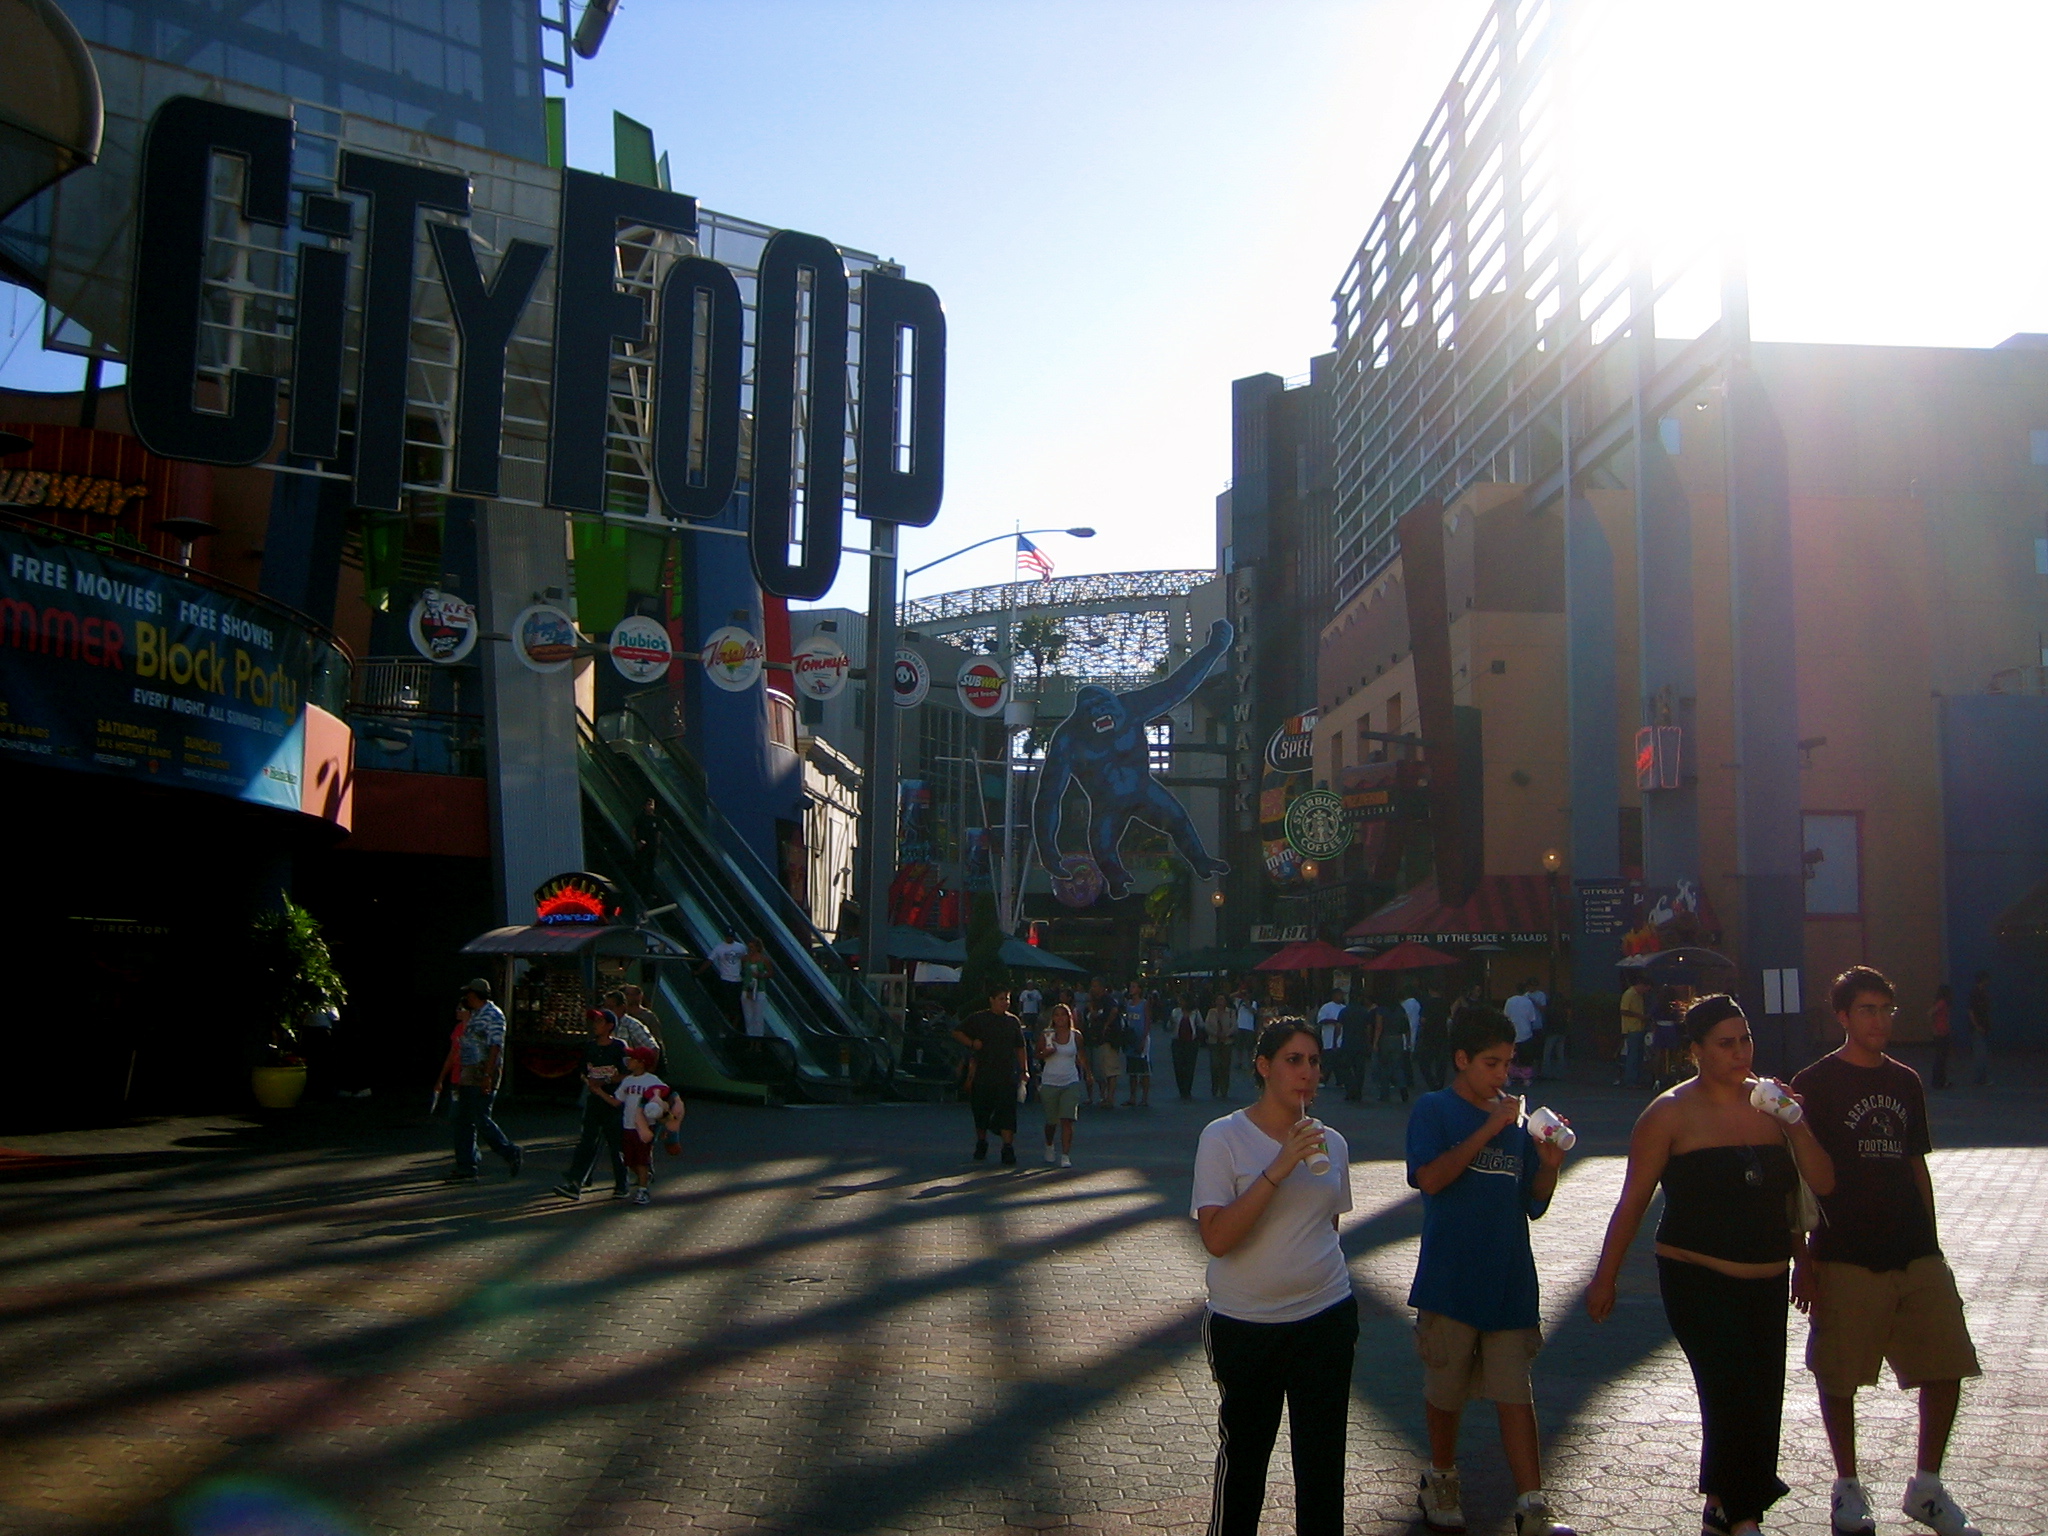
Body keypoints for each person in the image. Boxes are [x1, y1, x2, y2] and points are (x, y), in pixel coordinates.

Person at [1587, 996, 1837, 1536]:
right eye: (1726, 1044)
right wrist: (1605, 1276)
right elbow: (1632, 1200)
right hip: (1696, 1278)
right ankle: (1741, 1514)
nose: (1741, 1052)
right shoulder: (1669, 1113)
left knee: (1762, 1395)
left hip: (1767, 1279)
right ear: (1695, 1051)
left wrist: (1794, 1123)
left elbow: (1814, 1186)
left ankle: (1725, 1508)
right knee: (1729, 1391)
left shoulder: (1770, 1103)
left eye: (1745, 1039)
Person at [1791, 967, 1983, 1536]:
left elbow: (1914, 1162)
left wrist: (1935, 1240)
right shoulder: (1815, 1081)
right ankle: (1847, 1486)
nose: (1879, 1020)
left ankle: (1927, 1486)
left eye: (1887, 1009)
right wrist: (1804, 1256)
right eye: (1867, 1009)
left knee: (1946, 1365)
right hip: (1845, 1250)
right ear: (1843, 1016)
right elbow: (1797, 1179)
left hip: (1914, 1248)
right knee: (1839, 1375)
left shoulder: (1905, 1080)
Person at [1405, 1007, 1573, 1536]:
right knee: (1445, 1392)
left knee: (1514, 1394)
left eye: (1509, 1064)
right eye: (1491, 1064)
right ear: (1462, 1061)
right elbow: (1430, 1178)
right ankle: (1441, 1478)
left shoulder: (1517, 1126)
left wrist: (1548, 1163)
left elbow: (1533, 1204)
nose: (1503, 1076)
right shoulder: (1434, 1109)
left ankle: (1530, 1503)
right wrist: (1489, 1128)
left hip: (1509, 1282)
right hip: (1450, 1279)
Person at [1192, 1022, 1356, 1536]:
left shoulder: (1333, 1143)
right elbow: (1217, 1237)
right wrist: (1280, 1165)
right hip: (1246, 1325)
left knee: (1323, 1466)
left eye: (1313, 1061)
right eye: (1293, 1060)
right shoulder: (1223, 1137)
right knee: (1245, 1461)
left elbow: (1328, 1226)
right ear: (1263, 1066)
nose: (1306, 1073)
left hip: (1326, 1317)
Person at [449, 979, 523, 1182]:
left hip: (482, 1069)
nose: (467, 998)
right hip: (469, 1069)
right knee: (464, 1119)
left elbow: (495, 1046)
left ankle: (509, 1151)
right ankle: (466, 1165)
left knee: (480, 1116)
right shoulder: (474, 1015)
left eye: (470, 994)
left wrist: (488, 1075)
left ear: (478, 995)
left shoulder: (493, 1015)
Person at [553, 1007, 629, 1201]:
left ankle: (622, 1184)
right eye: (594, 1022)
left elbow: (626, 1073)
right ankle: (575, 1182)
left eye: (600, 1022)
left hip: (614, 1101)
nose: (595, 1025)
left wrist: (606, 1082)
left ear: (610, 1026)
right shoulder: (589, 1047)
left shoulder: (619, 1047)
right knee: (587, 1141)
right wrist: (590, 1083)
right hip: (594, 1100)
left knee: (616, 1144)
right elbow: (583, 1071)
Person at [953, 985, 1028, 1165]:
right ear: (992, 1000)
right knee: (981, 1111)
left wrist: (1024, 1070)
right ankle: (981, 1141)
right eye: (1001, 998)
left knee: (1008, 1113)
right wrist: (972, 1043)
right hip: (983, 1073)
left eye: (1007, 999)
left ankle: (1007, 1148)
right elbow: (957, 1032)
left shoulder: (1013, 1022)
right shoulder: (979, 1018)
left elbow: (1020, 1046)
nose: (1005, 1002)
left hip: (1006, 1074)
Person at [613, 1046, 673, 1205]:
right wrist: (597, 1091)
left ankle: (642, 1190)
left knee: (641, 1159)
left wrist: (665, 1119)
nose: (629, 1061)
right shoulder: (628, 1080)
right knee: (629, 1160)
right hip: (627, 1125)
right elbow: (617, 1101)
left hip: (645, 1128)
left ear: (641, 1063)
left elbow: (664, 1102)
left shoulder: (652, 1081)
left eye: (632, 1059)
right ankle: (644, 1177)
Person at [1037, 1002, 1092, 1167]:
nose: (1060, 1018)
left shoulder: (1076, 1036)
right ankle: (1049, 1145)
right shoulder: (1047, 1035)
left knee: (1067, 1119)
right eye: (1057, 1015)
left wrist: (1088, 1074)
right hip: (1050, 1081)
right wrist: (1045, 1053)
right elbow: (1037, 1054)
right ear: (1053, 1018)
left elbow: (1081, 1056)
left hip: (1070, 1080)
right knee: (1051, 1121)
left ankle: (1065, 1154)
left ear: (1069, 1018)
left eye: (1063, 1015)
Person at [1084, 979, 1125, 1110]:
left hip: (1109, 1039)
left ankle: (1110, 1098)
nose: (1093, 989)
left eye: (1095, 986)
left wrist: (1106, 1025)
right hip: (1096, 1040)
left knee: (1110, 1069)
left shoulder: (1107, 999)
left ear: (1102, 988)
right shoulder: (1094, 1002)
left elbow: (1114, 1010)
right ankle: (1103, 1096)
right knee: (1100, 1069)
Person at [700, 931, 747, 1031]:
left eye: (731, 937)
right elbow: (710, 960)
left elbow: (744, 960)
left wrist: (745, 972)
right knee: (726, 1006)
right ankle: (726, 1028)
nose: (730, 939)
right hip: (725, 979)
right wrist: (699, 971)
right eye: (728, 937)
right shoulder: (719, 948)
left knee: (736, 1007)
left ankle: (733, 1028)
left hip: (737, 980)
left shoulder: (741, 947)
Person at [1338, 987, 1376, 1102]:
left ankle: (1350, 1090)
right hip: (1361, 1043)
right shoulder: (1364, 1011)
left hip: (1347, 1042)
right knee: (1360, 1069)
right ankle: (1358, 1092)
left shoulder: (1344, 1011)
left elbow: (1339, 1027)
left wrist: (1336, 1041)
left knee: (1345, 1068)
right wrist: (1369, 1042)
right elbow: (1368, 1029)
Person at [602, 987, 659, 1059]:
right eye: (605, 1007)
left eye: (611, 1008)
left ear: (622, 1007)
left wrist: (649, 1068)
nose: (607, 1011)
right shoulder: (603, 1026)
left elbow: (653, 1048)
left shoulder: (632, 1025)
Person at [1503, 981, 1540, 1093]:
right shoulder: (1528, 1002)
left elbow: (1505, 1016)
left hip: (1512, 1032)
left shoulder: (1510, 1001)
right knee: (1526, 1057)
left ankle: (1508, 1078)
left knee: (1511, 1057)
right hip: (1525, 1032)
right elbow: (1532, 1018)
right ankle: (1526, 1078)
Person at [1374, 992, 1410, 1105]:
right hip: (1398, 1039)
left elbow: (1379, 1027)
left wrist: (1375, 1042)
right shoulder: (1400, 1009)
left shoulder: (1381, 1010)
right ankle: (1403, 1088)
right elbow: (1406, 1026)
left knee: (1384, 1067)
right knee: (1398, 1066)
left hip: (1385, 1039)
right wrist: (1408, 1042)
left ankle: (1384, 1094)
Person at [1414, 984, 1451, 1093]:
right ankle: (1440, 1083)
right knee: (1441, 1063)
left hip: (1428, 1035)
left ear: (1430, 990)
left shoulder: (1427, 1003)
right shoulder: (1445, 1002)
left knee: (1424, 1062)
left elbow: (1423, 1020)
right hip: (1442, 1034)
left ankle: (1432, 1082)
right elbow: (1448, 1018)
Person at [1618, 975, 1651, 1089]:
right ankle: (1630, 1080)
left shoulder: (1639, 995)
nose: (1646, 991)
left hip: (1639, 1027)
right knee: (1633, 1055)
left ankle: (1636, 1079)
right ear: (1641, 985)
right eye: (1646, 988)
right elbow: (1624, 1010)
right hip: (1632, 1028)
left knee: (1638, 1056)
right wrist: (1640, 1016)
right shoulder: (1629, 994)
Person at [739, 936, 774, 1046]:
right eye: (749, 947)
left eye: (752, 947)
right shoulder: (744, 959)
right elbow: (741, 971)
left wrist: (761, 975)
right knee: (748, 1017)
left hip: (759, 990)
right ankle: (750, 1041)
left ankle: (758, 1043)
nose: (750, 949)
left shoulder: (764, 960)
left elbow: (771, 973)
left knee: (758, 1017)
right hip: (747, 989)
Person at [1124, 980, 1153, 1106]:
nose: (1131, 988)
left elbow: (1147, 1021)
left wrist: (1144, 1038)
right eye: (1131, 986)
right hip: (1131, 1038)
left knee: (1143, 1069)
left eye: (1134, 986)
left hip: (1141, 1037)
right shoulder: (1128, 1004)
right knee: (1132, 1070)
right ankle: (1132, 1097)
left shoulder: (1144, 1004)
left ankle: (1144, 1098)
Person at [1170, 993, 1204, 1101]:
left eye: (1182, 1000)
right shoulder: (1176, 1012)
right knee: (1178, 1066)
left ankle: (1187, 1090)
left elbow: (1201, 1025)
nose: (1180, 1002)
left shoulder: (1195, 1012)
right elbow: (1168, 1026)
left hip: (1191, 1042)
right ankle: (1181, 1089)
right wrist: (1171, 1022)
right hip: (1177, 1041)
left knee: (1189, 1066)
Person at [1205, 992, 1237, 1100]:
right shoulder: (1211, 1012)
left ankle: (1224, 1089)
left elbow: (1234, 1025)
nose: (1220, 1002)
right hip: (1214, 1041)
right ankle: (1215, 1087)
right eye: (1218, 1000)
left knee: (1225, 1066)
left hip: (1227, 1042)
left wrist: (1226, 1034)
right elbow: (1207, 1025)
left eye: (1222, 1000)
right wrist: (1215, 1033)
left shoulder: (1231, 1012)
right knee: (1214, 1065)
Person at [1964, 971, 1989, 1086]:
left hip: (1984, 1027)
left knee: (1982, 1054)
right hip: (1977, 1028)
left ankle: (1981, 1078)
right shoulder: (1975, 994)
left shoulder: (1983, 993)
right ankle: (1980, 1079)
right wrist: (1977, 1026)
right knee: (1980, 1055)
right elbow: (1971, 1011)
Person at [1926, 984, 1951, 1091]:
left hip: (1942, 1031)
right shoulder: (1942, 1003)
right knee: (1941, 1058)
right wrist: (1934, 1028)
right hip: (1941, 1032)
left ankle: (1940, 1080)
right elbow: (1930, 1013)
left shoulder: (1941, 1002)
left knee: (1941, 1058)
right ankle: (1938, 1081)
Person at [633, 796, 662, 881]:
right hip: (641, 846)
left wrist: (657, 846)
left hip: (652, 847)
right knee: (639, 866)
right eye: (649, 805)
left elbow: (658, 833)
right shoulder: (640, 818)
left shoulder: (657, 819)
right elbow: (634, 830)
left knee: (650, 868)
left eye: (652, 805)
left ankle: (648, 889)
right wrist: (636, 841)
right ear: (645, 806)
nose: (651, 807)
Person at [1234, 987, 1259, 1070]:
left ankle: (1250, 1062)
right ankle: (1239, 1062)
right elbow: (1229, 997)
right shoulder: (1239, 1002)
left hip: (1249, 1027)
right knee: (1239, 1047)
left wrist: (1248, 1006)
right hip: (1239, 1026)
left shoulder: (1253, 1003)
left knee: (1249, 1048)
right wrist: (1238, 992)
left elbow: (1255, 1012)